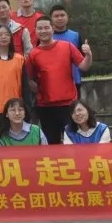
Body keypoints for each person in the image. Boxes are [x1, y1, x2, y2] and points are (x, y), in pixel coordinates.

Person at [25, 15, 92, 144]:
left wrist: (88, 55)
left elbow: (84, 66)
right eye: (40, 28)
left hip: (68, 104)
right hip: (45, 107)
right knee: (51, 143)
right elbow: (28, 79)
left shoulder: (67, 46)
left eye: (46, 27)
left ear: (52, 28)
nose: (43, 31)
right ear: (35, 31)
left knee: (73, 141)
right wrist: (40, 91)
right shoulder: (33, 54)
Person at [0, 24, 30, 146]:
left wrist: (26, 107)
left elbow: (25, 86)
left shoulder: (19, 59)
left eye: (7, 34)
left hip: (16, 109)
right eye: (0, 34)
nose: (3, 37)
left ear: (11, 38)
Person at [49, 4, 85, 94]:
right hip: (51, 82)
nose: (60, 18)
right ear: (51, 19)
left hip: (74, 80)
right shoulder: (46, 37)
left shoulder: (75, 36)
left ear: (67, 17)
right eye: (56, 16)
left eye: (62, 15)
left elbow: (82, 60)